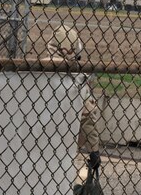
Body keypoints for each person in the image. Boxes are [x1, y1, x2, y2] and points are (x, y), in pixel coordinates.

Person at [47, 25, 103, 193]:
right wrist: (94, 151)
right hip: (64, 144)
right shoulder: (78, 79)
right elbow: (87, 118)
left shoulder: (35, 71)